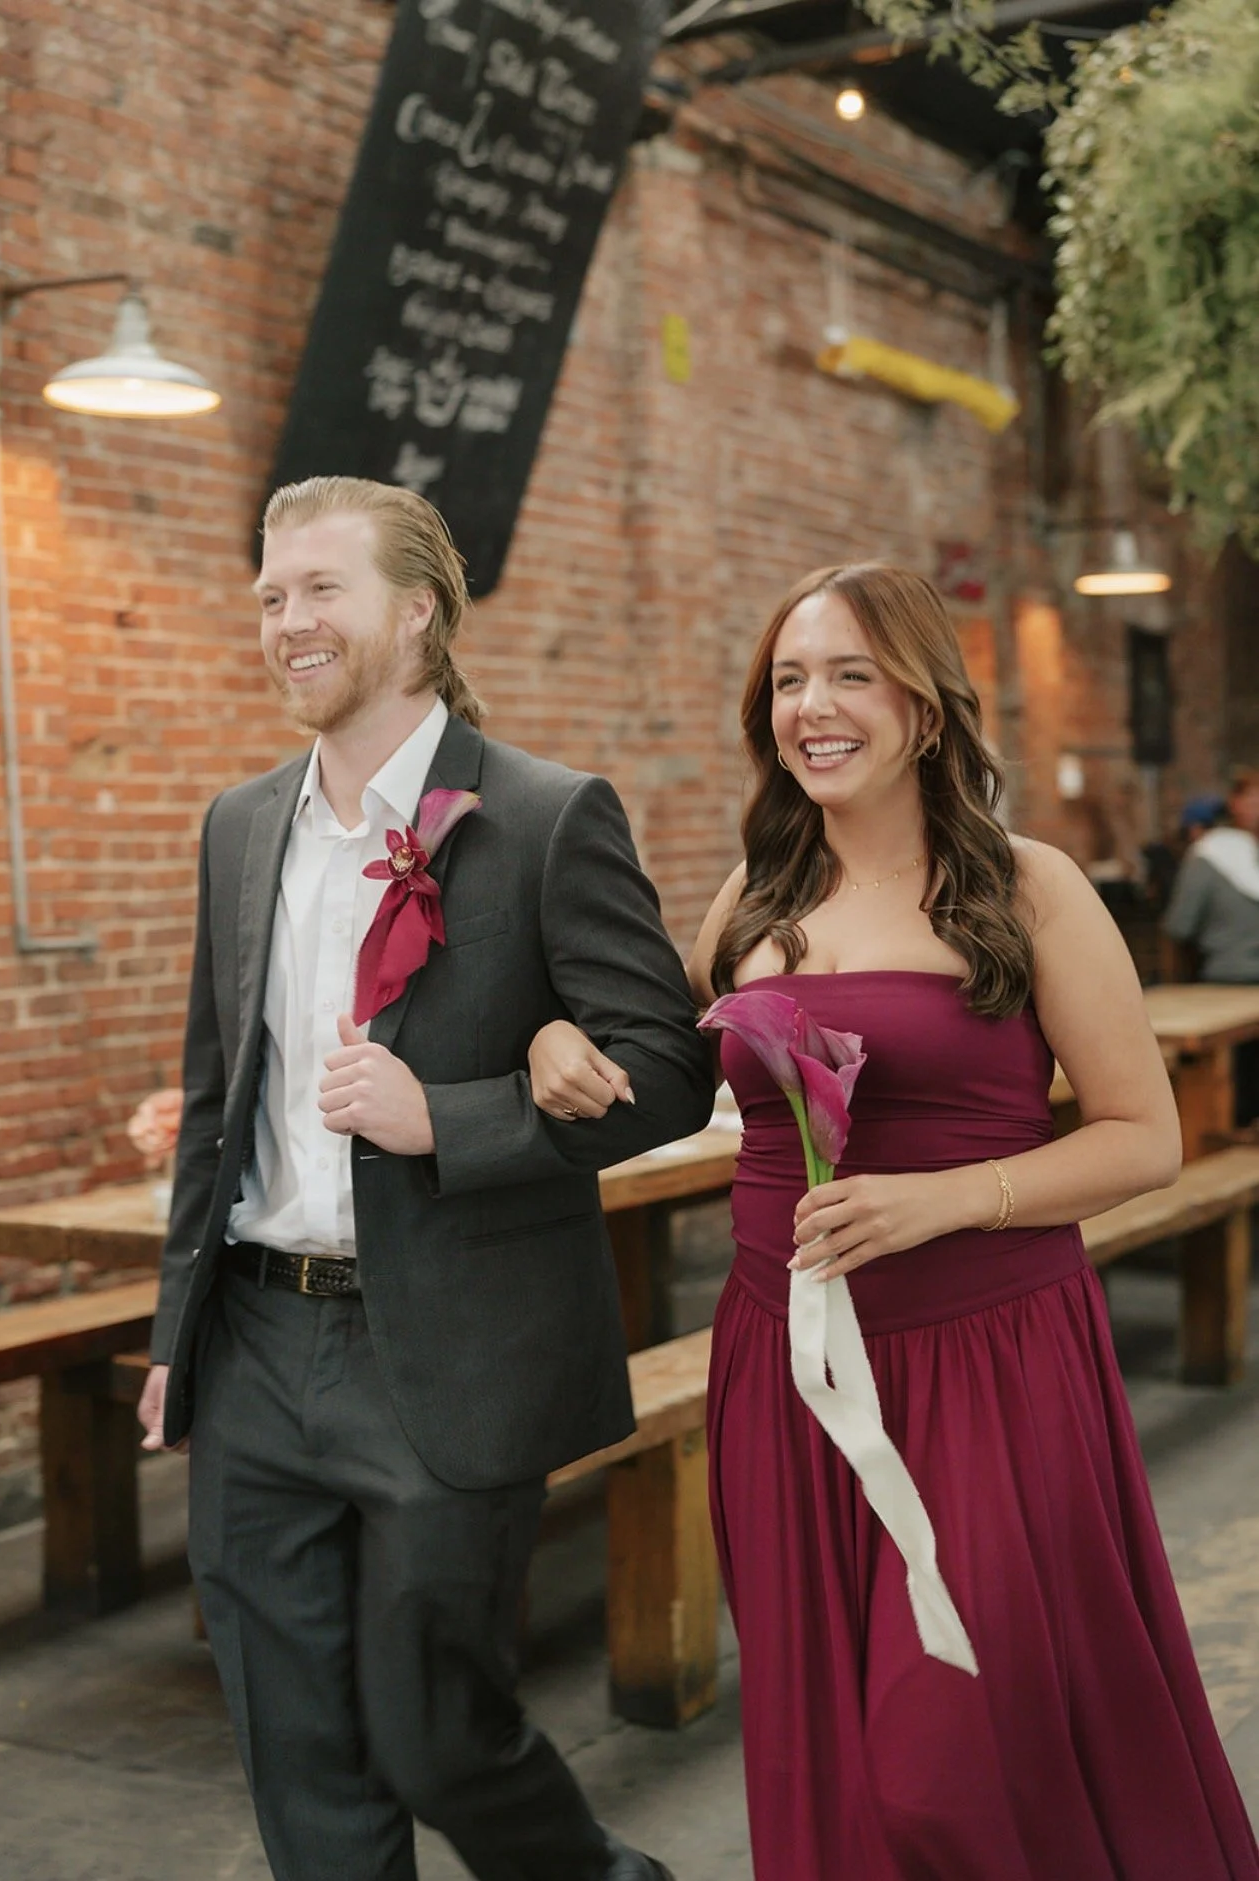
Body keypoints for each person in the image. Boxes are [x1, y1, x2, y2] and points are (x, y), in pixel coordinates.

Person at [529, 564, 1259, 1879]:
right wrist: (549, 1039)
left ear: (925, 707)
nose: (812, 706)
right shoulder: (754, 896)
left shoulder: (1028, 888)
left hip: (988, 1364)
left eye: (850, 675)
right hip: (786, 1368)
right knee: (841, 1752)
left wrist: (951, 1199)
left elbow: (1145, 1135)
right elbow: (652, 1073)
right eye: (790, 680)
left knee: (954, 1760)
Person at [136, 475, 713, 1881]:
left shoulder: (545, 815)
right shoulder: (240, 825)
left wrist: (446, 1120)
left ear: (417, 611)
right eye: (271, 595)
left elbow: (670, 1071)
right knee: (298, 1752)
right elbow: (217, 1103)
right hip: (256, 1342)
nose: (287, 621)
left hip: (451, 1351)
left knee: (434, 1734)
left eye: (320, 589)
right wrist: (174, 1339)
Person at [1165, 768, 1259, 1123]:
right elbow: (1181, 925)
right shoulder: (1214, 855)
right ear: (1234, 804)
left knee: (1240, 1090)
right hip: (1231, 986)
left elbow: (1180, 925)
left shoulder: (1209, 857)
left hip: (1230, 981)